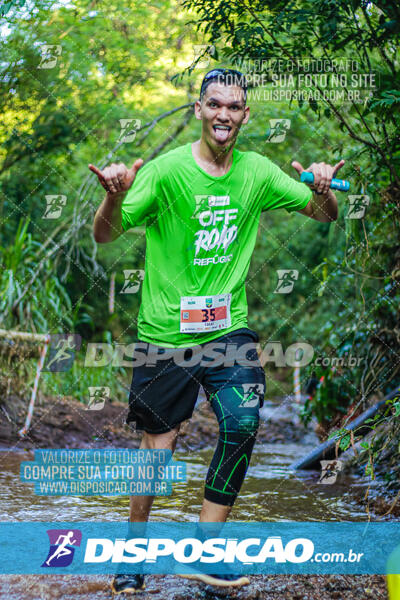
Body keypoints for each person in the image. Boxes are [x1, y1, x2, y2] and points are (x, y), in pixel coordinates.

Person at [90, 67, 345, 595]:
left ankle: (204, 550)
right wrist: (114, 196)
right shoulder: (164, 171)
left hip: (228, 330)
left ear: (245, 115)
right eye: (214, 104)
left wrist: (323, 187)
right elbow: (106, 234)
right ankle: (134, 550)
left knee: (243, 421)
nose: (224, 114)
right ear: (199, 110)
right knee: (157, 447)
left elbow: (323, 214)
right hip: (165, 331)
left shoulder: (255, 171)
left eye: (233, 106)